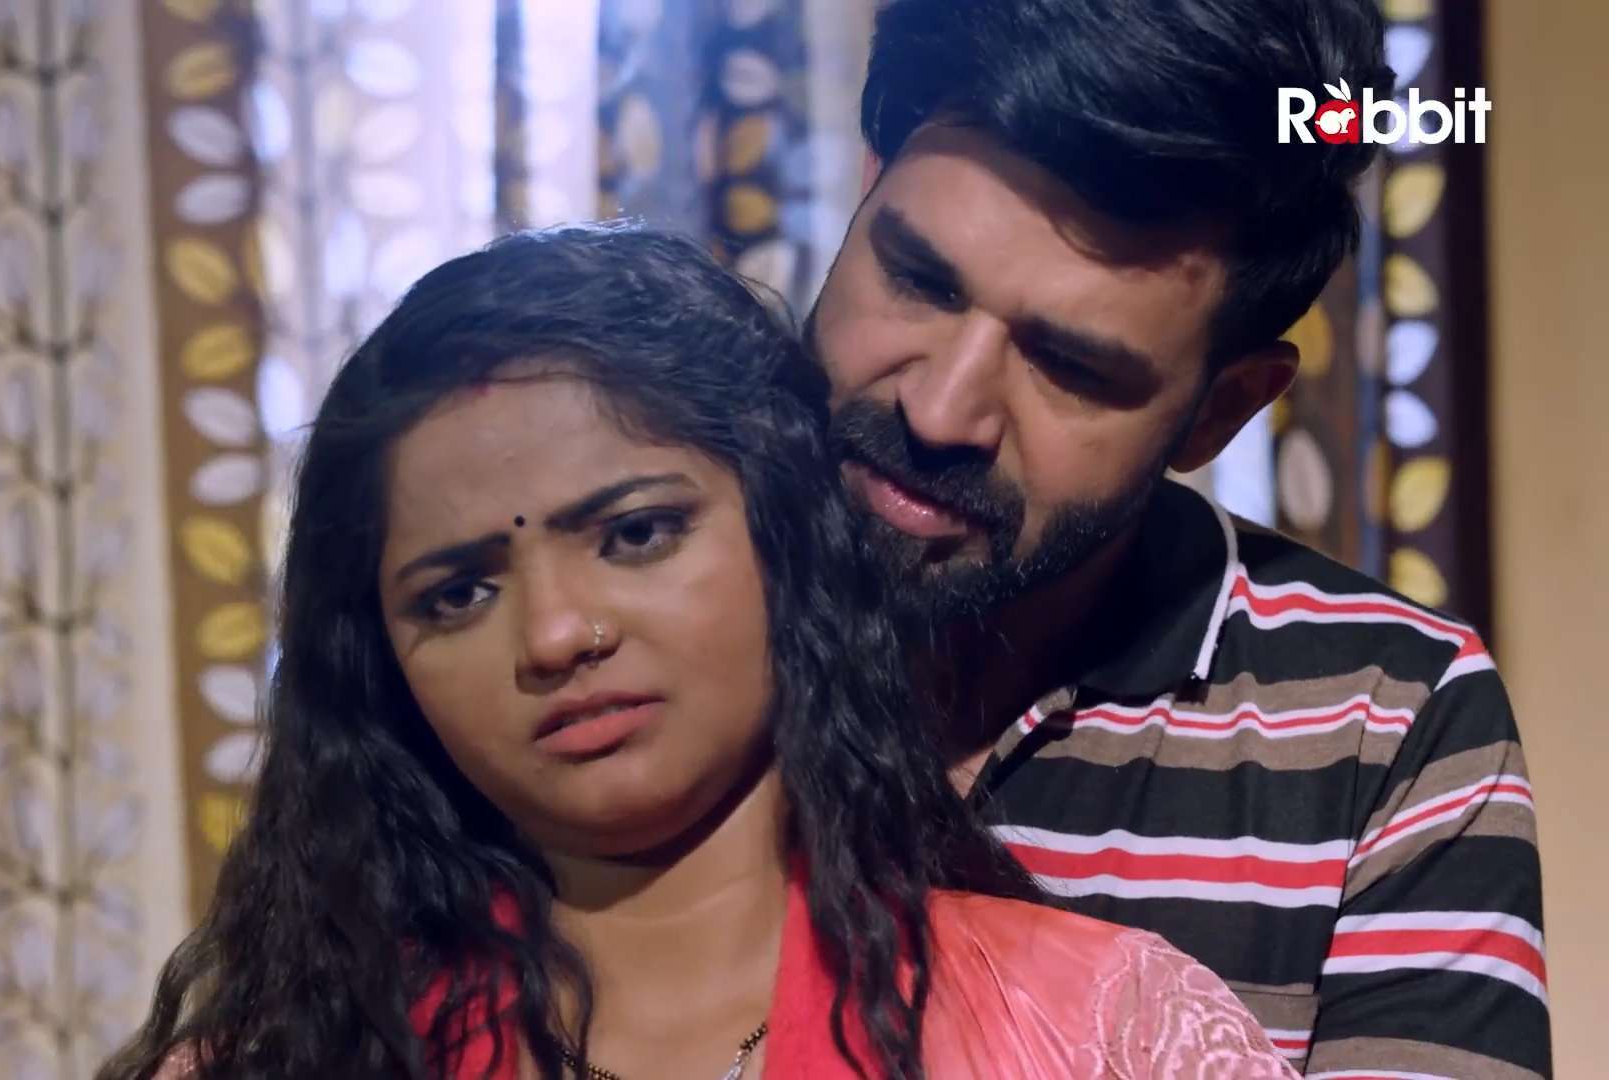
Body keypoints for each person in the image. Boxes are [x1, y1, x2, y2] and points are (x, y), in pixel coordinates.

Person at [101, 226, 1296, 1078]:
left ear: (790, 536)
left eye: (635, 534)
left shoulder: (1102, 1031)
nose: (557, 635)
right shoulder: (279, 1061)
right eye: (457, 593)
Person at [808, 1, 1549, 1076]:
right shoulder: (617, 592)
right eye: (918, 280)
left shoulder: (1385, 715)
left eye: (1070, 366)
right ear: (867, 181)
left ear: (1222, 411)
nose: (940, 411)